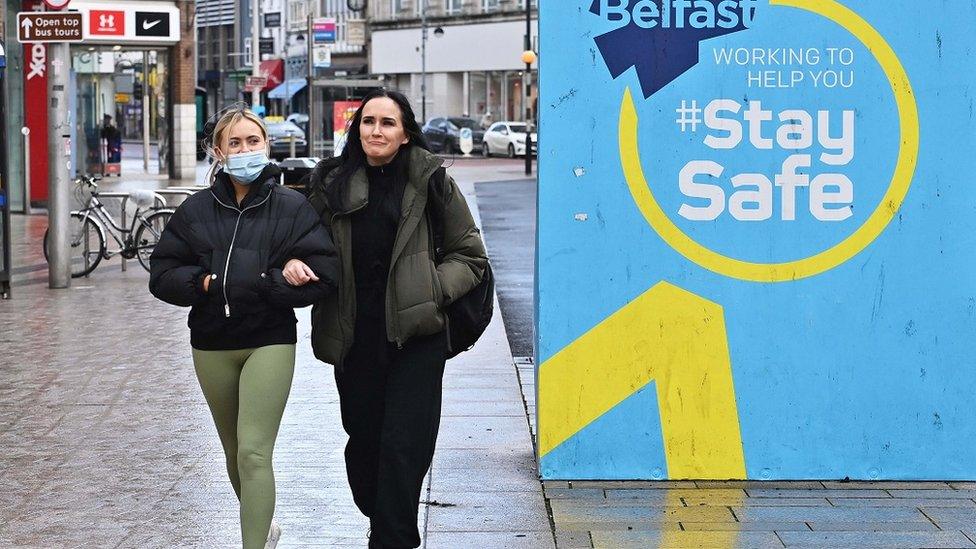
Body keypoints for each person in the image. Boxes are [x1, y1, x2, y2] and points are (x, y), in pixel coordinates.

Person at [304, 89, 488, 549]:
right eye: (368, 122)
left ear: (405, 133)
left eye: (388, 123)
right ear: (357, 128)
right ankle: (383, 514)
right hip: (354, 337)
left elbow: (470, 255)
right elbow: (302, 243)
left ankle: (392, 538)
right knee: (364, 444)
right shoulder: (330, 182)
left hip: (417, 336)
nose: (377, 131)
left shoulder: (430, 181)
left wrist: (429, 290)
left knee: (405, 447)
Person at [148, 107, 339, 549]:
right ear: (218, 152)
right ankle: (263, 524)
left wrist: (286, 274)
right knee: (234, 453)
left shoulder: (292, 206)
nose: (245, 150)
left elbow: (325, 273)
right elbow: (162, 274)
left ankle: (252, 544)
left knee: (254, 451)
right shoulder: (195, 210)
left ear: (266, 146)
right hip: (211, 343)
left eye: (253, 141)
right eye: (234, 143)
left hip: (268, 340)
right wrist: (204, 282)